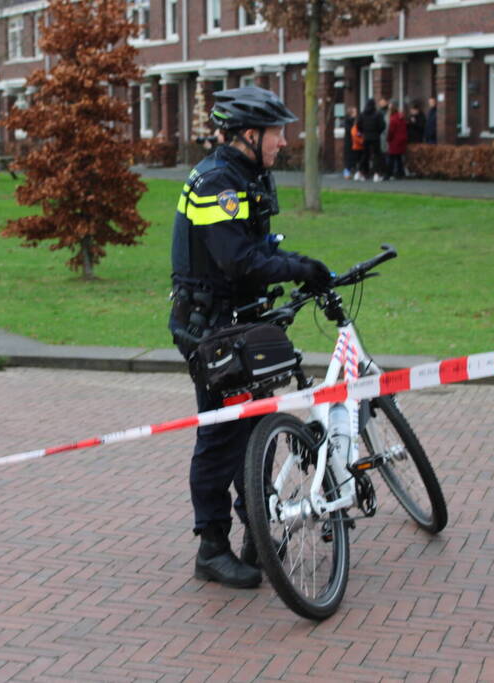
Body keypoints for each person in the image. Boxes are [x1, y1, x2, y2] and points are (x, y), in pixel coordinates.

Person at [169, 87, 331, 589]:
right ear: (248, 135)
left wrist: (286, 272)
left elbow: (257, 250)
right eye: (277, 132)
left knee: (253, 429)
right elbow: (238, 260)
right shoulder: (220, 181)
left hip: (240, 323)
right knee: (221, 437)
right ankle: (212, 548)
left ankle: (256, 536)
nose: (284, 141)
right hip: (214, 331)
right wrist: (305, 268)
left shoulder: (246, 175)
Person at [356, 98, 385, 182]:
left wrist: (363, 132)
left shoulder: (362, 114)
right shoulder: (378, 114)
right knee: (376, 155)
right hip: (375, 137)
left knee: (365, 155)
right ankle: (376, 174)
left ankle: (361, 172)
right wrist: (378, 132)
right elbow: (382, 126)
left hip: (366, 137)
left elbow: (358, 125)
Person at [386, 101, 407, 179]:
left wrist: (388, 139)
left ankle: (388, 174)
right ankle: (400, 174)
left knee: (391, 158)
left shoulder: (393, 119)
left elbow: (391, 131)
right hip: (401, 140)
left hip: (394, 141)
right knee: (398, 158)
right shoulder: (401, 117)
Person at [341, 106, 358, 179]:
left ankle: (350, 172)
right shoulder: (349, 121)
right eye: (354, 112)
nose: (356, 114)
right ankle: (347, 173)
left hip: (352, 141)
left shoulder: (352, 121)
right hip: (350, 142)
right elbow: (350, 131)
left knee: (352, 158)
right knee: (349, 158)